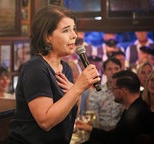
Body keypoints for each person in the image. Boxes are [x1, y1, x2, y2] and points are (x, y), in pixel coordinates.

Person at [8, 5, 100, 144]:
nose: (74, 35)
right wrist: (77, 89)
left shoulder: (66, 69)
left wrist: (76, 94)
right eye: (66, 30)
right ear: (47, 37)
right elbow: (45, 122)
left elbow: (70, 117)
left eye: (74, 29)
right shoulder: (36, 68)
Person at [76, 70, 151, 144]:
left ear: (123, 91)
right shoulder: (134, 107)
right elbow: (114, 136)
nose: (112, 92)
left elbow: (114, 140)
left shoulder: (136, 115)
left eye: (113, 89)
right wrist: (89, 129)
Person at [87, 57, 124, 130]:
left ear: (121, 70)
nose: (113, 72)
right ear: (104, 72)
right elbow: (93, 118)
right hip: (100, 132)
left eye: (116, 68)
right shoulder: (97, 92)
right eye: (109, 69)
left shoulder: (125, 91)